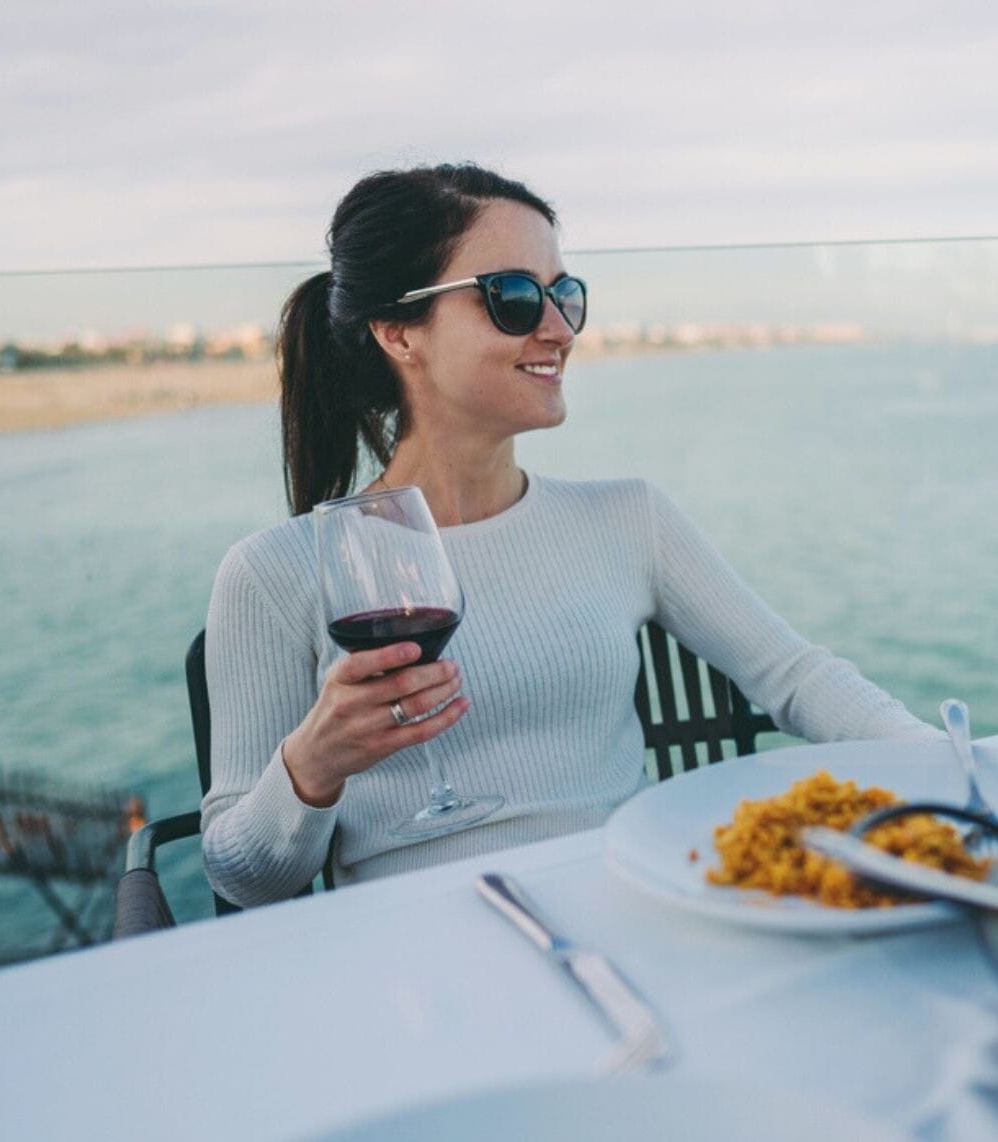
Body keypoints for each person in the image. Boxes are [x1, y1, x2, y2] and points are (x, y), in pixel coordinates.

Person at [201, 163, 938, 907]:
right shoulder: (274, 573)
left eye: (566, 294)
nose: (559, 329)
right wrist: (313, 765)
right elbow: (240, 876)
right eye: (515, 299)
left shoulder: (628, 519)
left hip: (633, 910)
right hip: (417, 959)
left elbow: (798, 678)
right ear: (398, 333)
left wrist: (948, 770)